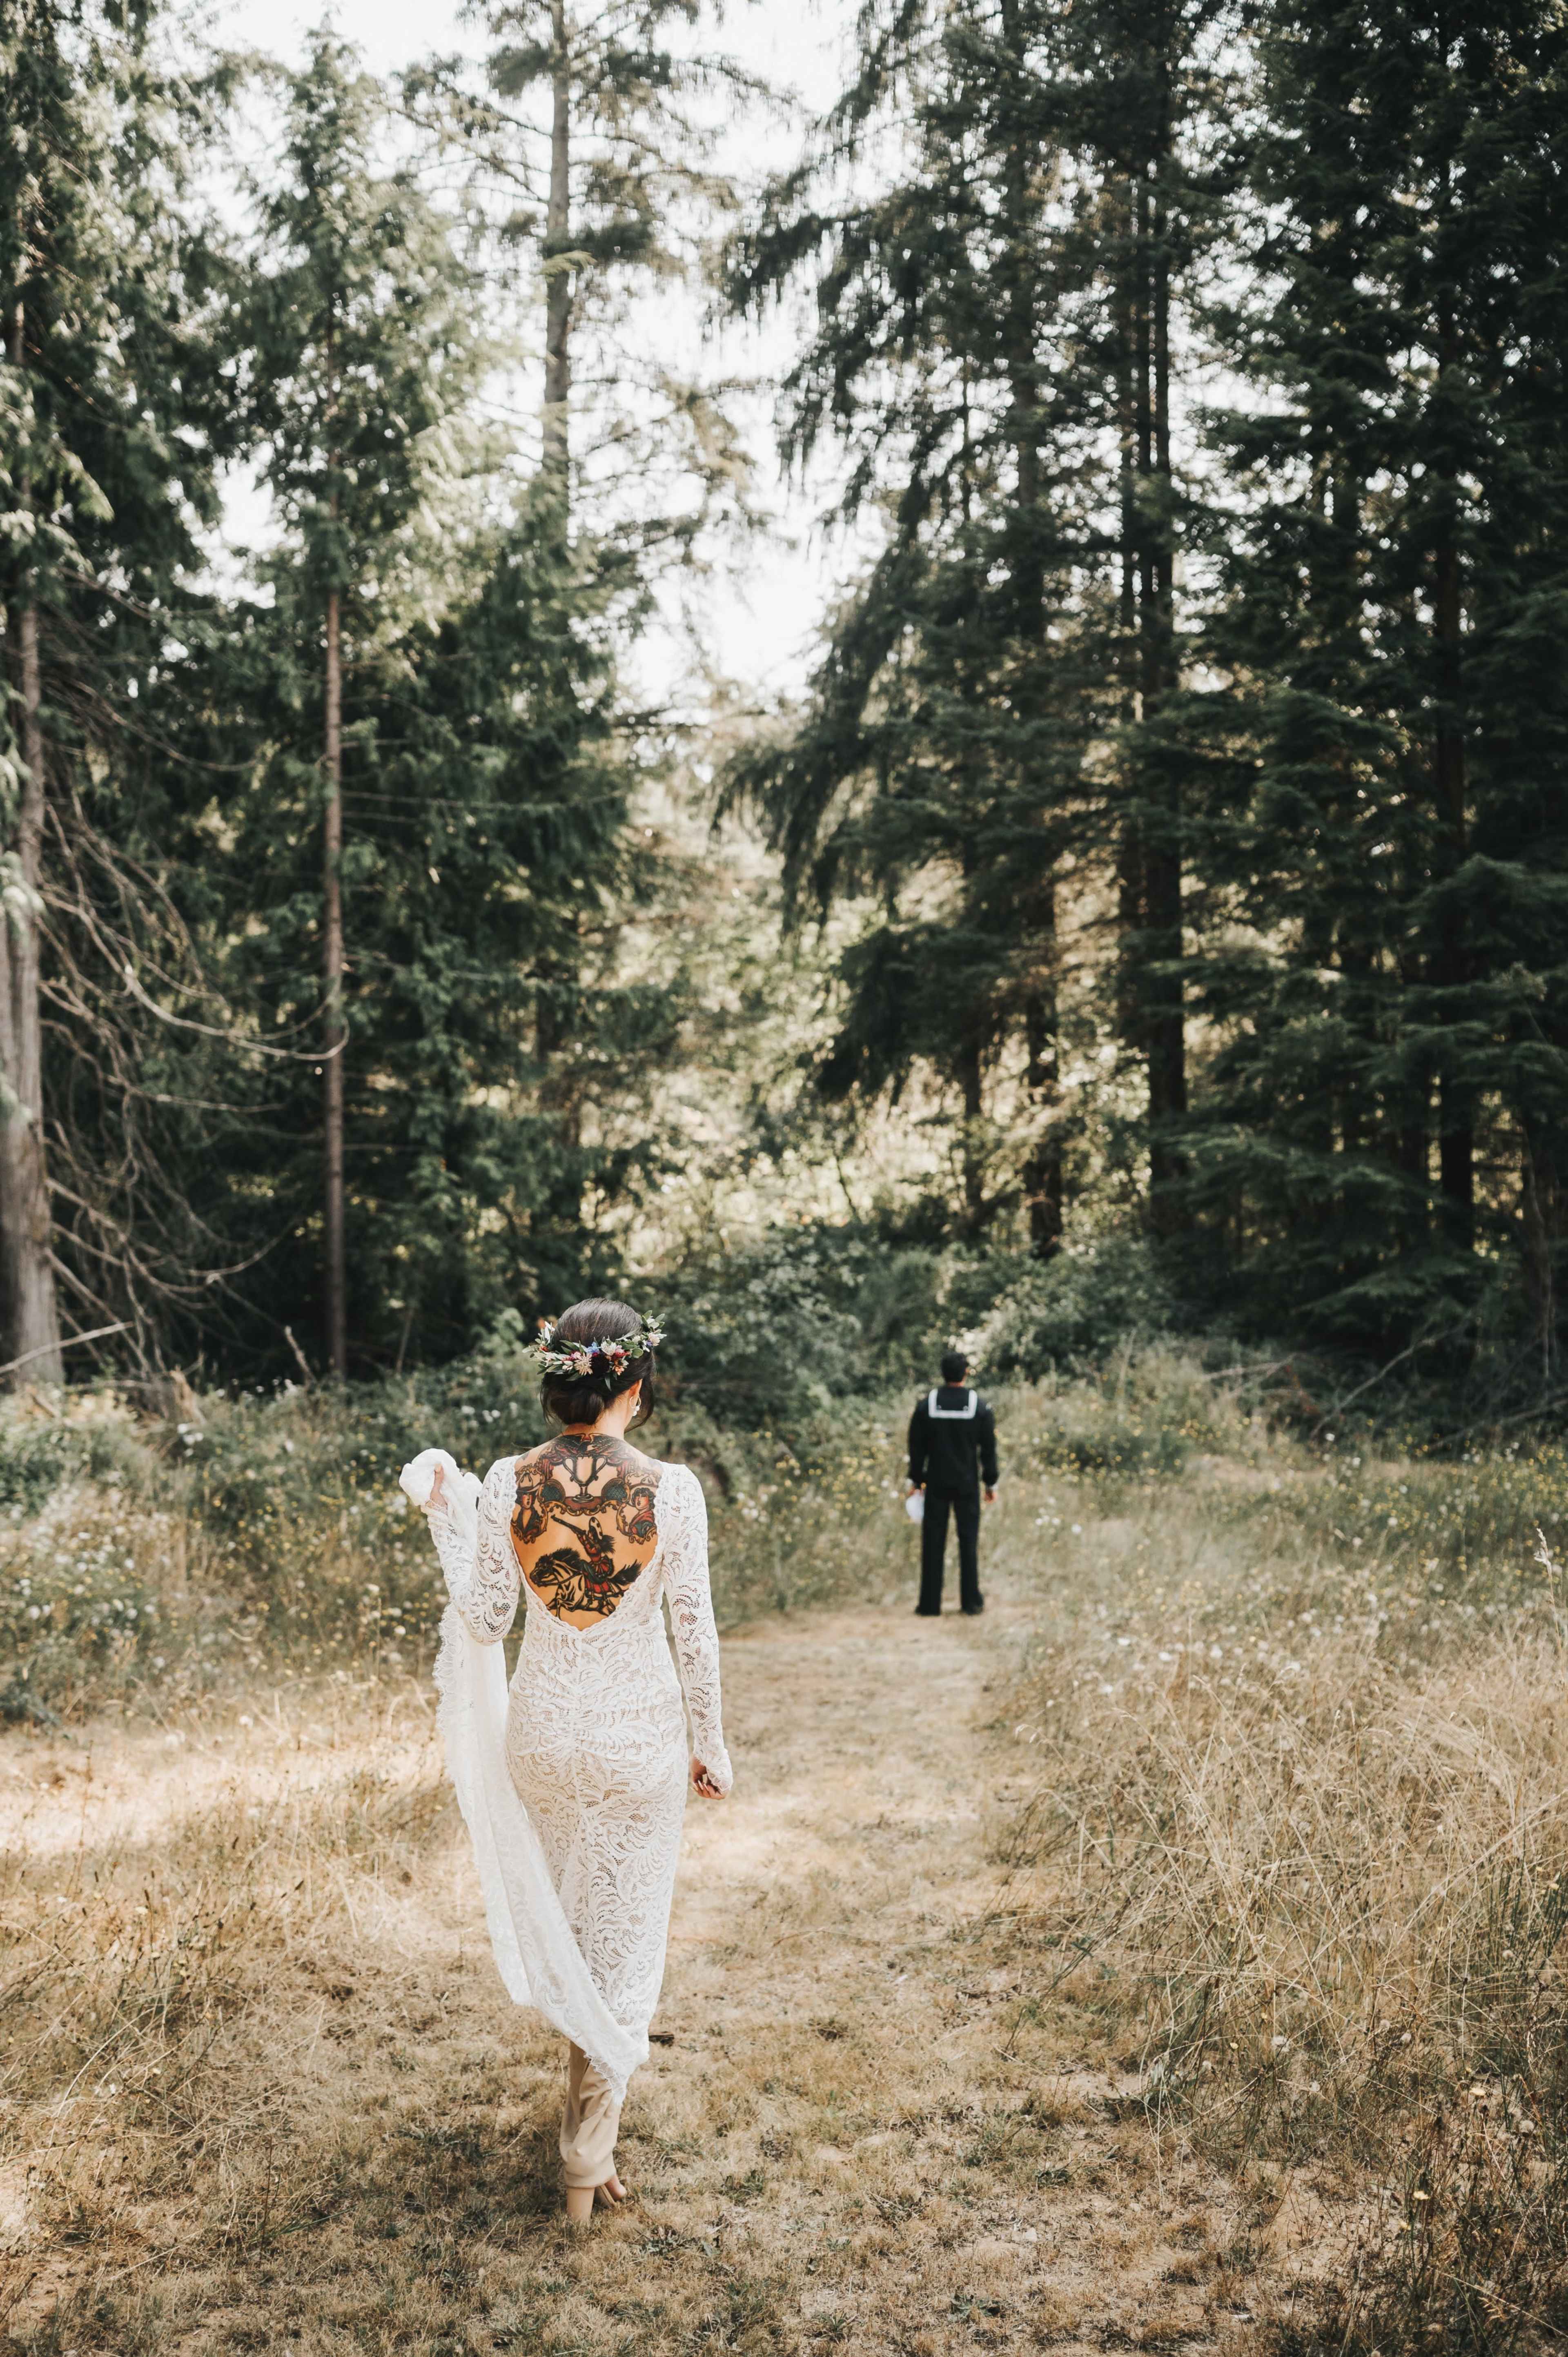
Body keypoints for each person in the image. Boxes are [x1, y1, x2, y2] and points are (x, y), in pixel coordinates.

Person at [402, 1299, 731, 2225]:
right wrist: (711, 1745)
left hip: (541, 1738)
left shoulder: (509, 1479)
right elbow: (693, 1631)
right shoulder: (670, 1488)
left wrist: (445, 1513)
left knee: (577, 1929)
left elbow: (482, 1617)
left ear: (560, 1379)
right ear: (633, 1382)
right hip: (635, 1739)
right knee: (620, 1943)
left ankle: (592, 2139)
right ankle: (583, 2167)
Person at [907, 1349, 998, 1617]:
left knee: (933, 1542)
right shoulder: (979, 1407)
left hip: (936, 1484)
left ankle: (929, 1605)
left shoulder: (927, 1406)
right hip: (968, 1485)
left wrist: (916, 1480)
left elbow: (916, 1447)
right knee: (968, 1542)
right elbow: (989, 1450)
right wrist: (990, 1484)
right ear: (966, 1373)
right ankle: (971, 1602)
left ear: (943, 1373)